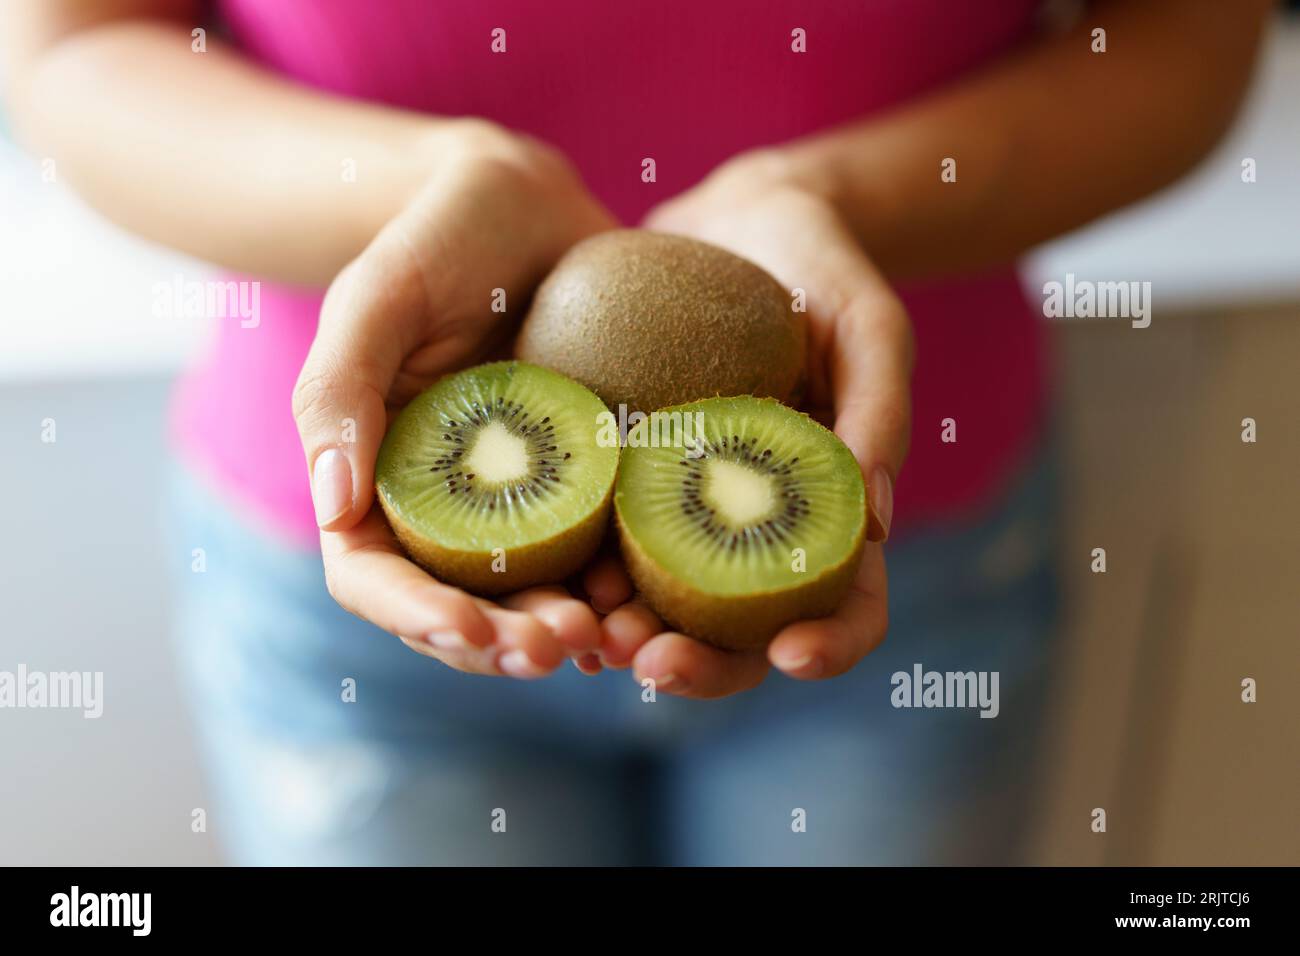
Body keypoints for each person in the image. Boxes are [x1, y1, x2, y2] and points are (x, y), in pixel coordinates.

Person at [1, 1, 1271, 864]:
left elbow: (1183, 42)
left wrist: (829, 196)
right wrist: (421, 192)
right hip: (361, 582)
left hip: (898, 548)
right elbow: (74, 44)